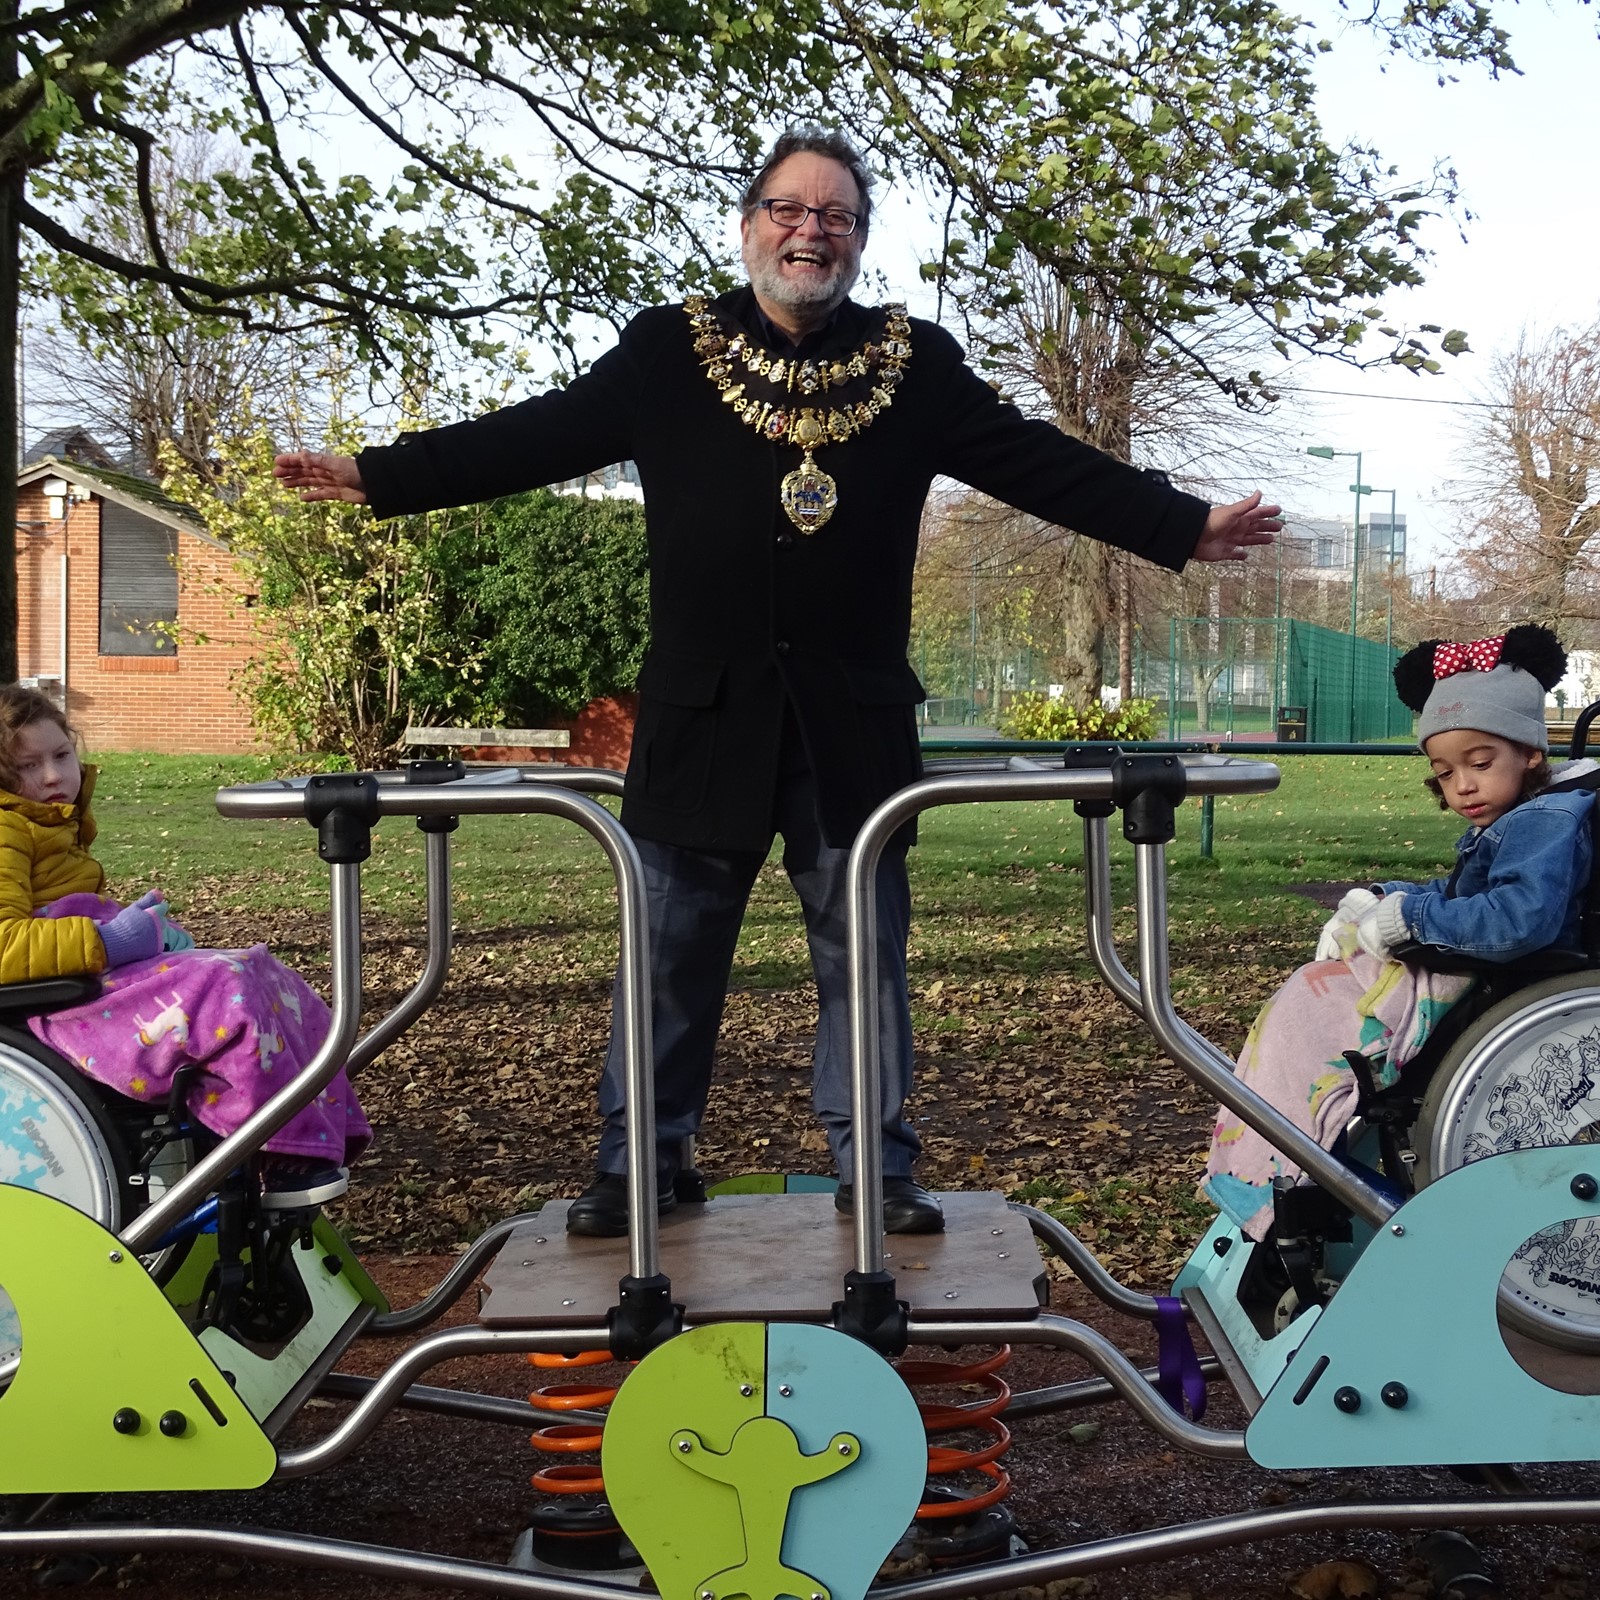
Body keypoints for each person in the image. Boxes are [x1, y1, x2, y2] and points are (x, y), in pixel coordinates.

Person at [275, 124, 1280, 1237]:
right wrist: (376, 475)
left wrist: (1180, 525)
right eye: (790, 212)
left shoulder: (915, 365)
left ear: (857, 240)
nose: (812, 233)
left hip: (851, 731)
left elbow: (1036, 461)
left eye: (836, 217)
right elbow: (536, 436)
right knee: (666, 958)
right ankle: (641, 1165)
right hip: (700, 725)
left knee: (865, 960)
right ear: (750, 224)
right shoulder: (668, 354)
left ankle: (877, 1172)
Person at [1203, 624, 1589, 1241]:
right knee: (1312, 991)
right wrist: (1385, 897)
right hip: (1487, 976)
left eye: (1480, 763)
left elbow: (1518, 918)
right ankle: (1281, 1169)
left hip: (1504, 982)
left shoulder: (1545, 821)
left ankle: (1281, 1177)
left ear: (1532, 750)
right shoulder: (1526, 814)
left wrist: (1409, 921)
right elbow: (1471, 897)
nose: (1462, 785)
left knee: (1311, 1003)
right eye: (1443, 771)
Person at [0, 685, 370, 1202]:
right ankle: (280, 1150)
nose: (53, 776)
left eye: (62, 755)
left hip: (81, 986)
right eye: (27, 766)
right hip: (58, 1011)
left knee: (260, 970)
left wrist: (142, 938)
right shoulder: (5, 829)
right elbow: (5, 944)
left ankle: (318, 1129)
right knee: (225, 985)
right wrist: (112, 939)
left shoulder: (50, 826)